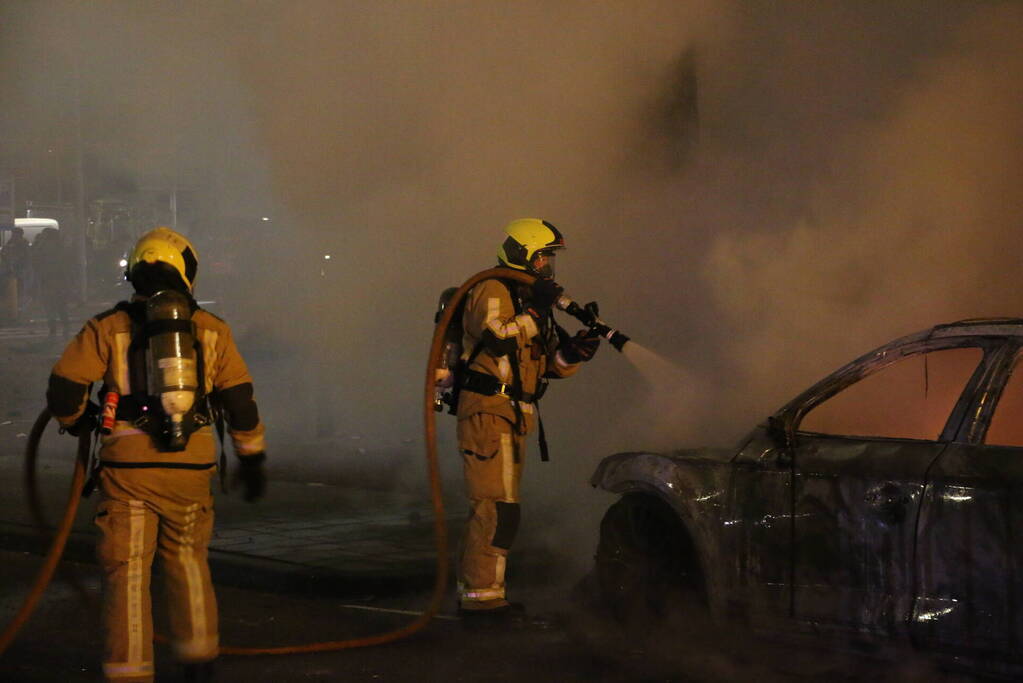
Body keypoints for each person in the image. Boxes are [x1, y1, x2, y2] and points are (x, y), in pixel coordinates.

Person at [46, 226, 266, 683]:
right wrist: (252, 458)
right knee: (188, 564)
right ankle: (199, 663)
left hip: (127, 473)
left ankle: (129, 673)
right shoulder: (211, 330)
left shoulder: (107, 327)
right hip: (190, 468)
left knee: (127, 576)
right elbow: (241, 402)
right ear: (186, 272)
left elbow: (65, 387)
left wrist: (81, 422)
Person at [455, 218, 600, 617]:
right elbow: (498, 337)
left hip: (513, 414)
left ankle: (485, 592)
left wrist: (575, 352)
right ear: (523, 254)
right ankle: (481, 599)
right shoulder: (493, 289)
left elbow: (545, 365)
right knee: (495, 507)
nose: (548, 266)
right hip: (488, 412)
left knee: (504, 506)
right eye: (543, 257)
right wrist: (537, 310)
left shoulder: (524, 301)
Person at [30, 227, 71, 337]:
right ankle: (61, 328)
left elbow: (35, 259)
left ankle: (56, 329)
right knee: (57, 306)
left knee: (54, 306)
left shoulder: (51, 248)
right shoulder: (57, 248)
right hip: (51, 280)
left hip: (53, 280)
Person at [1, 226, 31, 321]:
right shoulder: (11, 243)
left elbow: (24, 258)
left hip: (21, 272)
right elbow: (5, 254)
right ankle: (15, 312)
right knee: (14, 292)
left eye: (15, 234)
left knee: (21, 292)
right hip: (13, 272)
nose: (13, 236)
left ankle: (21, 313)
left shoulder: (23, 244)